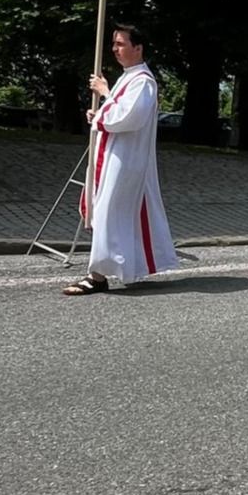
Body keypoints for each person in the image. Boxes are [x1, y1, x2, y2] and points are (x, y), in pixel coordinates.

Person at [63, 23, 178, 295]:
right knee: (109, 213)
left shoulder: (143, 82)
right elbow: (115, 114)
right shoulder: (129, 78)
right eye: (113, 44)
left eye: (121, 44)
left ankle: (97, 276)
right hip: (115, 156)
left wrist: (104, 94)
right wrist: (99, 116)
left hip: (125, 161)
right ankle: (107, 271)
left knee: (108, 214)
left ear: (138, 48)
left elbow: (128, 117)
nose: (115, 49)